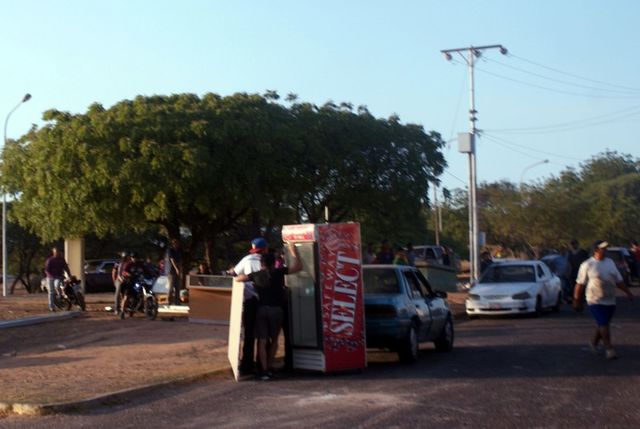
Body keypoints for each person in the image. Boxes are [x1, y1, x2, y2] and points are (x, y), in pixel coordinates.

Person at [236, 243, 302, 380]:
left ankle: (264, 370)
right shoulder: (279, 272)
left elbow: (238, 278)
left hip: (261, 310)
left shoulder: (257, 274)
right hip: (277, 311)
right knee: (275, 340)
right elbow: (298, 267)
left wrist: (245, 277)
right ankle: (270, 366)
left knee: (262, 341)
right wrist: (294, 252)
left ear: (262, 264)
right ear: (274, 263)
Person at [573, 240, 633, 360]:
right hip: (594, 299)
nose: (605, 250)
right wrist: (576, 300)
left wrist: (627, 292)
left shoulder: (610, 263)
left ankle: (593, 342)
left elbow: (618, 280)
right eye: (602, 248)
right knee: (603, 322)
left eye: (606, 248)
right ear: (596, 250)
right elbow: (579, 284)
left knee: (603, 323)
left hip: (609, 299)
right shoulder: (587, 265)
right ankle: (609, 348)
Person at [230, 237, 269, 375]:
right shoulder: (266, 262)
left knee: (249, 334)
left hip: (249, 300)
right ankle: (263, 364)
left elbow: (234, 273)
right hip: (265, 300)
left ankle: (247, 365)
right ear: (265, 249)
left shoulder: (247, 259)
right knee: (264, 335)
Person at [44, 247, 72, 311]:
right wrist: (51, 276)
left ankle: (60, 297)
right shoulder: (50, 260)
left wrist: (69, 275)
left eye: (58, 252)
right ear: (54, 253)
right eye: (56, 252)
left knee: (58, 285)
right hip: (50, 278)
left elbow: (66, 268)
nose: (58, 253)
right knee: (51, 292)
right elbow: (47, 270)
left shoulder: (62, 260)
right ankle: (51, 307)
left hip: (58, 277)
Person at [111, 251, 129, 315]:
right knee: (118, 293)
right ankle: (116, 309)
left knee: (125, 294)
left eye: (126, 257)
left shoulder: (128, 263)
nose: (125, 258)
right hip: (118, 280)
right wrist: (114, 280)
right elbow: (114, 272)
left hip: (126, 280)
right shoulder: (118, 263)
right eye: (125, 257)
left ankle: (124, 308)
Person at [167, 238, 182, 305]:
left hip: (178, 270)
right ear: (173, 244)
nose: (176, 245)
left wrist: (179, 269)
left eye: (177, 244)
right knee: (171, 287)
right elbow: (172, 260)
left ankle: (177, 301)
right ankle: (169, 301)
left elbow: (180, 261)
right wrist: (176, 269)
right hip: (171, 271)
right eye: (175, 243)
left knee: (177, 287)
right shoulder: (171, 250)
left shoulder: (179, 251)